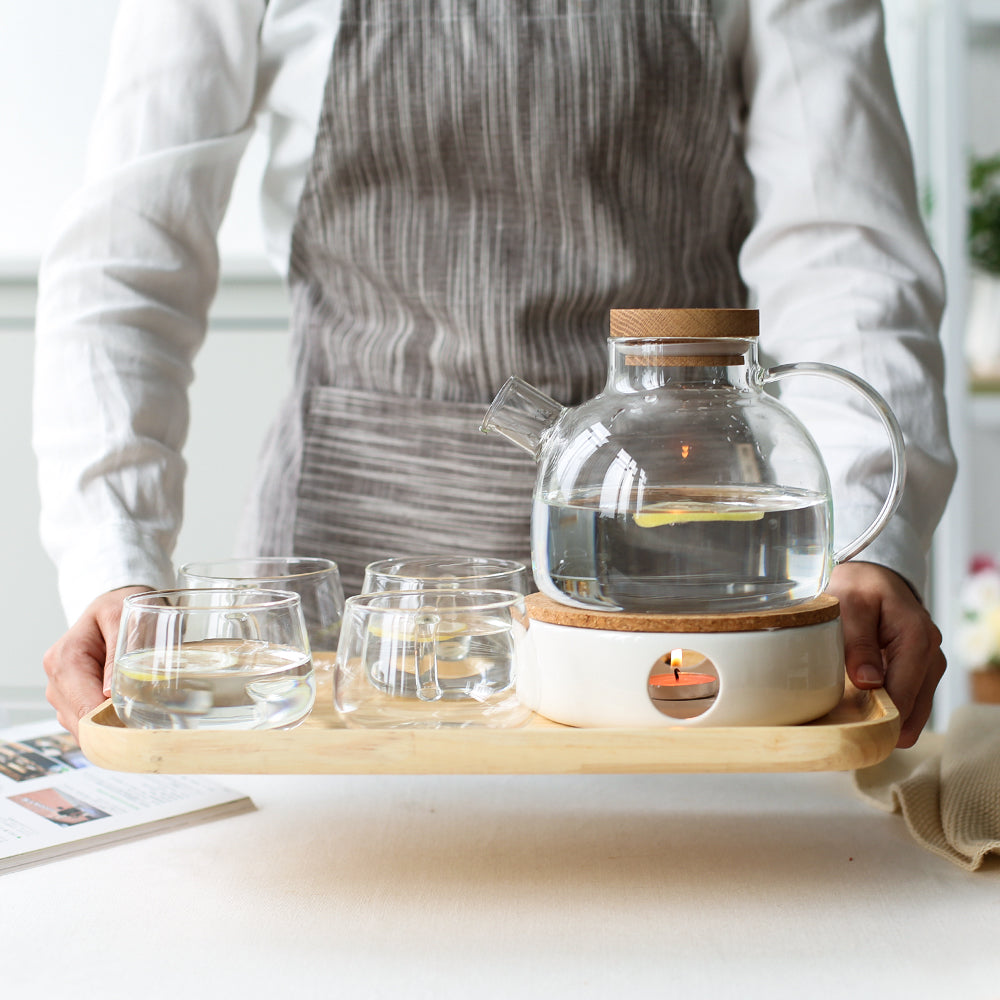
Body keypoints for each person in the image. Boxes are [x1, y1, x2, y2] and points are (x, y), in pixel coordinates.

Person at [34, 0, 955, 746]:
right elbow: (128, 256)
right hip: (351, 578)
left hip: (693, 573)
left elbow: (844, 245)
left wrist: (873, 542)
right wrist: (111, 562)